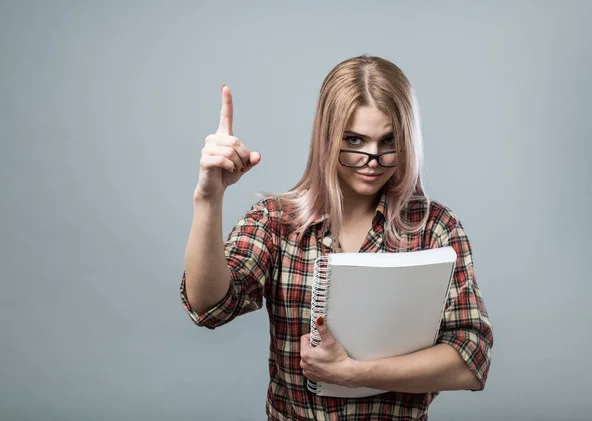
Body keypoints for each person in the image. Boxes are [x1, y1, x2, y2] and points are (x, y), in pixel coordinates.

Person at [179, 55, 494, 421]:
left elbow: (472, 358)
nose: (372, 159)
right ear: (328, 138)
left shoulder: (434, 227)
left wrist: (350, 373)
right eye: (355, 140)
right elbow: (209, 306)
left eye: (388, 141)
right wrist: (208, 199)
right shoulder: (276, 222)